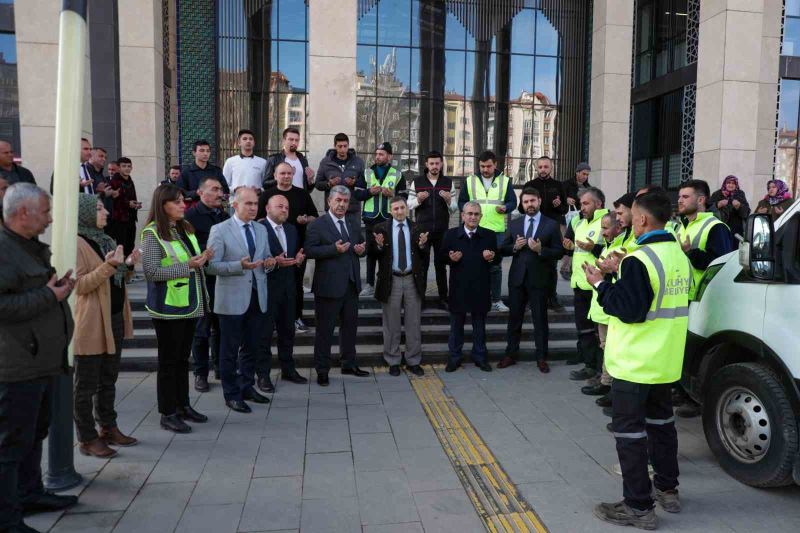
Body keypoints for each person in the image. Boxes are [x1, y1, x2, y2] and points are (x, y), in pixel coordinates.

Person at [584, 191, 690, 530]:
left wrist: (601, 282)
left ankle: (638, 506)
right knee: (662, 427)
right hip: (665, 361)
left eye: (630, 215)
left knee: (629, 435)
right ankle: (667, 490)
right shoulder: (676, 254)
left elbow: (629, 311)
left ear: (642, 219)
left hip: (635, 364)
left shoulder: (639, 259)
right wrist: (619, 275)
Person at [0, 183, 78, 532]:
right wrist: (49, 295)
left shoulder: (26, 247)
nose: (49, 220)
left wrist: (55, 289)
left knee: (34, 434)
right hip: (15, 366)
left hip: (40, 361)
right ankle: (7, 518)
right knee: (11, 444)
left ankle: (30, 494)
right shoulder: (4, 249)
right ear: (22, 214)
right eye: (45, 212)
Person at [73, 194, 139, 459]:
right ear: (85, 212)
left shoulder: (107, 240)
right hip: (91, 321)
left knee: (108, 378)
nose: (106, 213)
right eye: (99, 209)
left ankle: (108, 427)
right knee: (85, 383)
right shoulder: (75, 243)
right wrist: (109, 266)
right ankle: (87, 438)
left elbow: (117, 276)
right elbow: (79, 285)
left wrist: (128, 265)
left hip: (113, 316)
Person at [141, 184, 211, 433]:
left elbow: (189, 260)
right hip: (168, 307)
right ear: (163, 205)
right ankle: (167, 412)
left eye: (183, 200)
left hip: (189, 303)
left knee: (182, 360)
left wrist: (202, 259)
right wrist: (189, 266)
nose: (183, 205)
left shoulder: (182, 228)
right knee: (169, 362)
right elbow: (151, 272)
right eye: (177, 201)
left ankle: (183, 405)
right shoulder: (152, 234)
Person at [206, 187, 275, 413]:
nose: (253, 208)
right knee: (229, 349)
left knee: (251, 346)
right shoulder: (220, 230)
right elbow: (211, 266)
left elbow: (263, 258)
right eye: (248, 204)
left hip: (258, 296)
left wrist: (270, 262)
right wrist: (239, 266)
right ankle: (231, 393)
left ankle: (247, 386)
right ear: (234, 205)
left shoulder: (261, 229)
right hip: (231, 299)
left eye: (255, 203)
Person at [674, 179, 734, 418]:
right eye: (679, 196)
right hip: (680, 294)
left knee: (693, 351)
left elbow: (721, 265)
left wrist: (691, 252)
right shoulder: (681, 226)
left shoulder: (715, 227)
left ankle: (694, 399)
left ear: (701, 200)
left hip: (702, 298)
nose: (679, 200)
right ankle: (680, 391)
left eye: (685, 197)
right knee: (680, 348)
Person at [305, 185, 370, 386]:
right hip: (328, 287)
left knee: (349, 328)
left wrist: (361, 251)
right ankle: (322, 369)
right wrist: (333, 249)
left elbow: (361, 247)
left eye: (345, 201)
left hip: (351, 285)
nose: (342, 204)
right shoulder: (318, 225)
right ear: (329, 202)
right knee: (325, 331)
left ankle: (348, 363)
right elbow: (310, 250)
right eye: (338, 201)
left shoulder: (352, 223)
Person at [498, 188, 564, 373]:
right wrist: (514, 247)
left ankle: (542, 357)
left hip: (540, 280)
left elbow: (559, 252)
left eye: (532, 201)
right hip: (517, 279)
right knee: (514, 319)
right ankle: (510, 354)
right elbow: (502, 248)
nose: (530, 205)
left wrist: (541, 250)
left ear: (540, 201)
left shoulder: (551, 224)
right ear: (522, 204)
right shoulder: (515, 224)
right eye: (526, 202)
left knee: (540, 320)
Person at [370, 196, 430, 376]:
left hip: (412, 279)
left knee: (413, 322)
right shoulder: (380, 229)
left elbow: (425, 255)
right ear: (390, 210)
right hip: (391, 280)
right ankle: (393, 360)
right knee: (391, 323)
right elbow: (372, 254)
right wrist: (378, 246)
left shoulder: (417, 228)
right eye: (395, 209)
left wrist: (422, 246)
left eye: (402, 208)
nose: (399, 211)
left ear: (407, 208)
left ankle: (413, 360)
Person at [257, 162, 318, 333]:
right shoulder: (267, 195)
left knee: (295, 284)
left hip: (296, 248)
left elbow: (315, 217)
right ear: (275, 176)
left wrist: (306, 220)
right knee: (271, 285)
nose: (286, 176)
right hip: (270, 249)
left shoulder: (302, 194)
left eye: (289, 173)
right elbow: (257, 220)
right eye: (282, 173)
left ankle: (296, 318)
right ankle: (272, 320)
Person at [258, 194, 309, 391]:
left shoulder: (291, 229)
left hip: (288, 289)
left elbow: (292, 255)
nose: (284, 210)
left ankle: (288, 369)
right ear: (268, 209)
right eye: (280, 206)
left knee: (287, 332)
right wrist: (271, 262)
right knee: (264, 335)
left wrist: (298, 258)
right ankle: (262, 374)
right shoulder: (259, 228)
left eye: (287, 207)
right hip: (267, 289)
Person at [184, 177, 229, 392]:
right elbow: (185, 247)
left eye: (221, 189)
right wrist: (208, 250)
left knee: (220, 327)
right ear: (201, 193)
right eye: (215, 189)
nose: (220, 193)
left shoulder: (223, 215)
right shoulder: (190, 216)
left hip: (222, 279)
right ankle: (200, 373)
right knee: (201, 330)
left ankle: (221, 367)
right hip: (201, 280)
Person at [441, 201, 497, 373]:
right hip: (459, 288)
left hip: (480, 287)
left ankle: (480, 357)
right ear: (462, 215)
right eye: (469, 214)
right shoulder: (451, 235)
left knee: (479, 326)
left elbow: (498, 258)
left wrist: (491, 257)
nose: (473, 217)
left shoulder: (489, 235)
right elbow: (440, 258)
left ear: (481, 216)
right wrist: (451, 259)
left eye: (476, 214)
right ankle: (454, 357)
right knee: (456, 325)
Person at [458, 150, 516, 312]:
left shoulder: (505, 181)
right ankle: (474, 299)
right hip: (474, 230)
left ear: (495, 164)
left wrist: (506, 207)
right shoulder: (470, 181)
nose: (485, 169)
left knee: (495, 266)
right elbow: (462, 201)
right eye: (482, 166)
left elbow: (513, 202)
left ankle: (496, 300)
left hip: (496, 231)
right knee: (472, 264)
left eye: (488, 166)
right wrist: (468, 210)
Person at [563, 187, 608, 381]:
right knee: (585, 329)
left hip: (597, 286)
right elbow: (579, 251)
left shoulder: (607, 222)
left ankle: (601, 370)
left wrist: (594, 247)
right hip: (580, 283)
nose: (582, 207)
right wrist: (571, 248)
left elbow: (612, 250)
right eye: (581, 203)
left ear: (598, 204)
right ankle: (589, 365)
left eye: (586, 203)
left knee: (600, 333)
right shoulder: (579, 222)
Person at [407, 150, 458, 310]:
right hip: (422, 230)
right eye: (432, 164)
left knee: (441, 265)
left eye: (437, 163)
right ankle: (420, 300)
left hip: (442, 230)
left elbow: (455, 209)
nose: (435, 166)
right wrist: (418, 200)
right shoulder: (417, 182)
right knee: (422, 265)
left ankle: (444, 298)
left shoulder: (448, 182)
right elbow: (408, 204)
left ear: (441, 164)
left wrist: (450, 201)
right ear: (426, 165)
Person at [582, 211, 625, 398]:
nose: (602, 233)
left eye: (606, 228)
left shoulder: (621, 247)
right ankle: (605, 381)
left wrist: (608, 271)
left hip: (611, 307)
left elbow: (618, 275)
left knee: (610, 347)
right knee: (605, 345)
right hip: (602, 305)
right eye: (601, 228)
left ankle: (608, 384)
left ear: (619, 227)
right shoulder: (610, 245)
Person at [356, 142, 407, 298]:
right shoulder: (366, 173)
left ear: (389, 156)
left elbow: (404, 197)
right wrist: (369, 191)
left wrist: (393, 195)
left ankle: (386, 282)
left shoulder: (398, 174)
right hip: (371, 219)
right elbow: (357, 195)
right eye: (376, 154)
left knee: (388, 252)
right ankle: (370, 284)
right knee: (371, 252)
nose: (378, 156)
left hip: (389, 219)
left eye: (381, 154)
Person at [523, 155, 568, 310]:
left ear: (551, 168)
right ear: (536, 168)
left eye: (546, 167)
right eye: (540, 167)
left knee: (552, 266)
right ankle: (531, 298)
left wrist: (559, 205)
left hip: (552, 230)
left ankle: (552, 298)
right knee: (532, 265)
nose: (543, 170)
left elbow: (565, 210)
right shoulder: (530, 185)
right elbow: (520, 208)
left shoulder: (558, 185)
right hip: (534, 229)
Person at [315, 132, 366, 230]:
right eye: (339, 146)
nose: (342, 149)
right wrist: (329, 183)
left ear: (348, 145)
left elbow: (366, 184)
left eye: (345, 146)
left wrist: (355, 183)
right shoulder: (326, 162)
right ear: (334, 146)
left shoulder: (358, 161)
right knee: (334, 239)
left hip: (353, 208)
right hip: (333, 209)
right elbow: (317, 184)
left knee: (354, 239)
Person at [107, 157, 141, 257]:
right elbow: (113, 201)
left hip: (131, 218)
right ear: (118, 168)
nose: (127, 168)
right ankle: (120, 271)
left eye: (129, 166)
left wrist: (135, 204)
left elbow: (131, 198)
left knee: (130, 245)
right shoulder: (114, 181)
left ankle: (129, 270)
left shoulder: (130, 181)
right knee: (120, 246)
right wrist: (128, 204)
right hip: (119, 219)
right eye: (124, 166)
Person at [178, 139, 229, 204]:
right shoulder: (186, 172)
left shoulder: (216, 171)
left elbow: (225, 191)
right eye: (201, 151)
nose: (205, 153)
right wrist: (196, 193)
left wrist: (214, 192)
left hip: (214, 209)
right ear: (194, 153)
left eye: (208, 151)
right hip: (193, 209)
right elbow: (180, 192)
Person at [263, 127, 315, 191]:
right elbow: (265, 184)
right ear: (284, 141)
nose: (294, 143)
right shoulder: (273, 159)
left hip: (300, 199)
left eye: (297, 140)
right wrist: (282, 178)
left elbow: (309, 189)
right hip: (281, 199)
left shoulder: (303, 160)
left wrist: (310, 180)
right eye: (291, 139)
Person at [223, 129, 268, 193]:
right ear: (239, 143)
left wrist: (259, 190)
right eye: (244, 139)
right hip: (236, 201)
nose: (248, 141)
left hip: (256, 201)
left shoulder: (263, 162)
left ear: (254, 143)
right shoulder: (230, 161)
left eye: (251, 139)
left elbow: (266, 185)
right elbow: (224, 185)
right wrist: (235, 189)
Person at [85, 147, 117, 215]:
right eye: (101, 156)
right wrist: (103, 193)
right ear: (91, 156)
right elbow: (85, 197)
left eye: (105, 157)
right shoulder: (85, 173)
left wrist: (112, 193)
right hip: (93, 217)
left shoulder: (100, 174)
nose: (104, 159)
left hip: (105, 217)